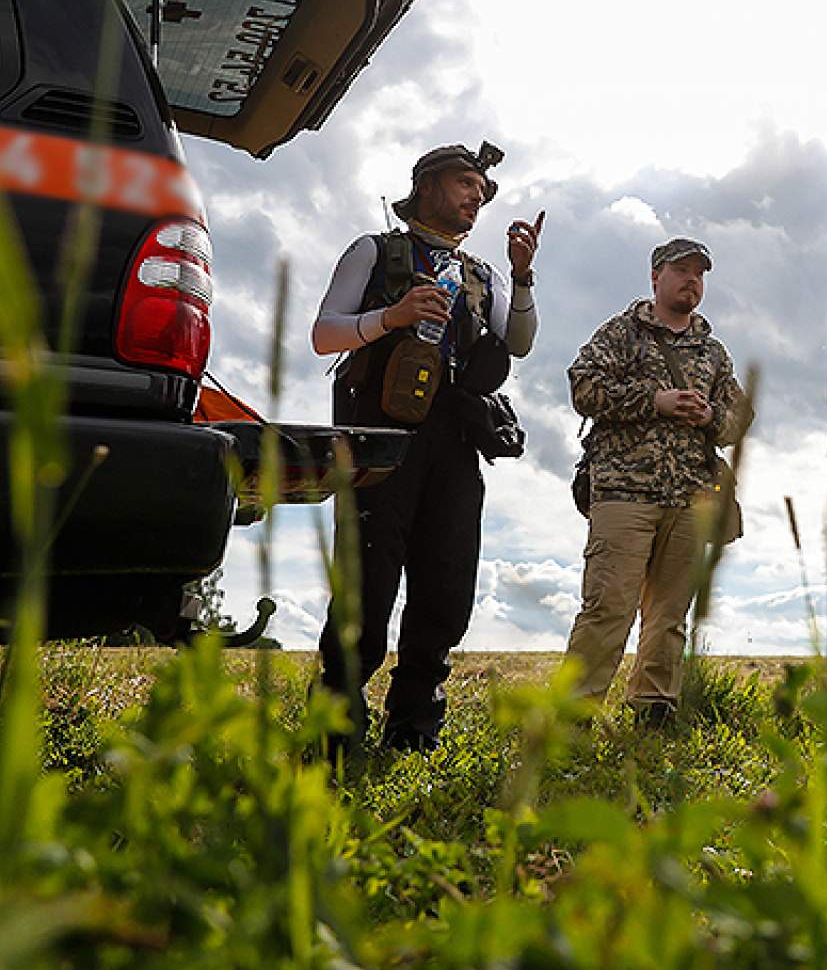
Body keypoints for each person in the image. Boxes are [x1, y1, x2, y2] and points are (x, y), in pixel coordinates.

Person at [310, 141, 543, 752]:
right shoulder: (374, 249)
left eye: (482, 191)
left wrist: (521, 277)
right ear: (428, 185)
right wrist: (391, 317)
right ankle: (336, 725)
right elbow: (322, 333)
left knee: (445, 584)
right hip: (376, 440)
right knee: (368, 579)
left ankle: (414, 726)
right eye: (466, 183)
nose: (476, 197)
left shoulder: (482, 274)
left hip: (454, 442)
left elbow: (517, 343)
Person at [563, 238, 749, 722]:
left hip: (691, 496)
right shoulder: (621, 333)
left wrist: (710, 415)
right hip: (624, 492)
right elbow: (583, 387)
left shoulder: (713, 350)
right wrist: (655, 401)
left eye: (699, 273)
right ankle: (573, 719)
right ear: (655, 278)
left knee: (669, 617)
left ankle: (653, 710)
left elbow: (739, 419)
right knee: (608, 607)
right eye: (681, 270)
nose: (692, 280)